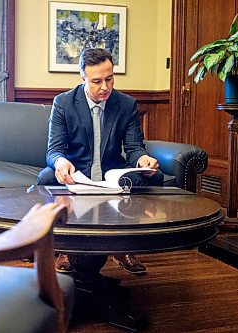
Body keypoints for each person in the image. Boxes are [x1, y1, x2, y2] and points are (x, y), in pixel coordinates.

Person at [37, 48, 164, 275]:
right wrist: (60, 163)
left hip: (112, 173)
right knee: (46, 177)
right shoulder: (64, 103)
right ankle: (65, 247)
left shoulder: (126, 104)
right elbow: (54, 150)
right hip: (77, 173)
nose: (104, 87)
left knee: (155, 177)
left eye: (109, 79)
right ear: (83, 78)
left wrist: (143, 159)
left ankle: (124, 246)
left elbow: (134, 148)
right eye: (96, 81)